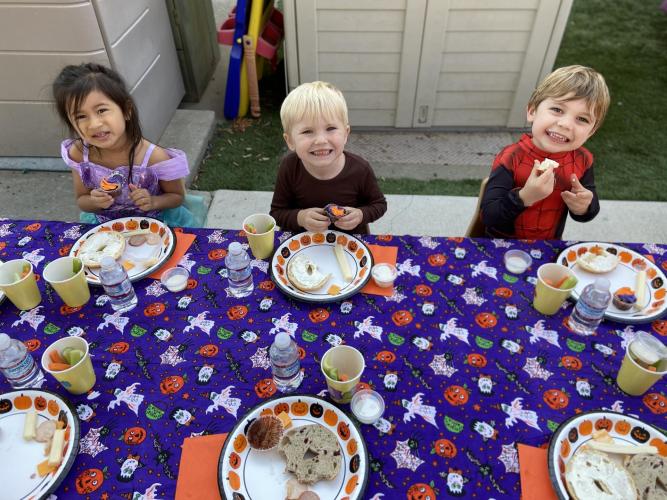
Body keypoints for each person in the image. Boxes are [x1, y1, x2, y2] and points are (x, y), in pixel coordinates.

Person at [53, 63, 203, 226]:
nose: (94, 124)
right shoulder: (79, 153)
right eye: (81, 116)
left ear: (126, 110)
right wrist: (95, 202)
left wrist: (153, 201)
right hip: (107, 227)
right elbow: (82, 200)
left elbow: (177, 197)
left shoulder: (154, 157)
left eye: (101, 110)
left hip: (156, 225)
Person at [480, 65, 610, 239]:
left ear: (591, 132)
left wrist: (584, 207)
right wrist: (524, 197)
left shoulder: (583, 160)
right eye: (557, 110)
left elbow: (589, 211)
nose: (565, 124)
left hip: (550, 244)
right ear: (532, 111)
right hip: (500, 244)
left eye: (582, 119)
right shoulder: (511, 157)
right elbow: (489, 217)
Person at [270, 81, 387, 234]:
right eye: (307, 131)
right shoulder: (290, 167)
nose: (320, 140)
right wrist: (300, 218)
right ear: (290, 141)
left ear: (345, 134)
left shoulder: (360, 169)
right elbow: (277, 212)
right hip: (302, 243)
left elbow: (379, 205)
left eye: (330, 128)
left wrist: (361, 215)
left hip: (350, 242)